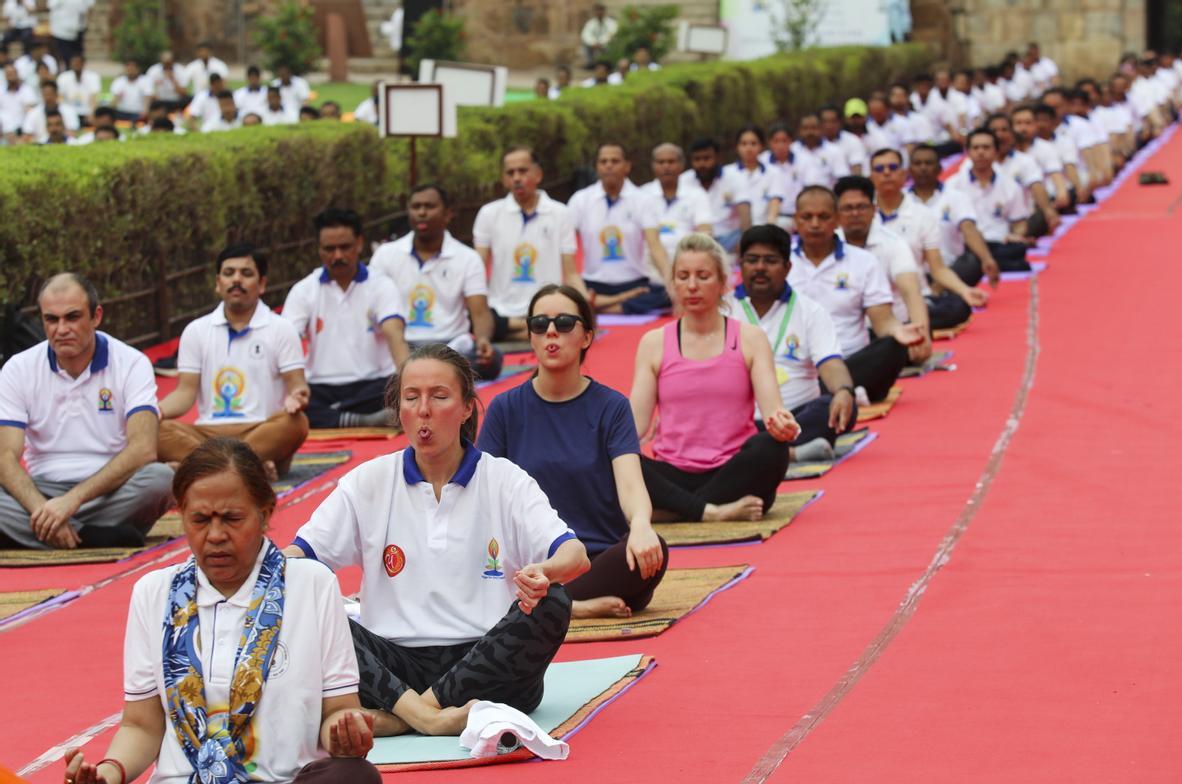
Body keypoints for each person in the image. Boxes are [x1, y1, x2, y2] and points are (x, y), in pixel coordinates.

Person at [286, 345, 590, 736]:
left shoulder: (504, 479)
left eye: (439, 396)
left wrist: (543, 571)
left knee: (552, 601)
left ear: (466, 408)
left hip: (487, 662)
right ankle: (427, 717)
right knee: (300, 600)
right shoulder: (369, 481)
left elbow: (575, 555)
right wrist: (271, 566)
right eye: (411, 398)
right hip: (393, 667)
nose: (424, 410)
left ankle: (405, 718)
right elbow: (302, 555)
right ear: (399, 409)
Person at [63, 438, 381, 784]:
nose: (215, 535)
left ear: (265, 513)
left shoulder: (312, 584)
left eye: (231, 518)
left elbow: (340, 708)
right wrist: (110, 773)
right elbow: (141, 725)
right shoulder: (152, 593)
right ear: (181, 515)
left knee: (354, 776)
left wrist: (346, 733)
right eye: (200, 520)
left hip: (283, 780)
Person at [479, 284, 667, 619]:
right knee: (488, 571)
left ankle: (545, 608)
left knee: (653, 552)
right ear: (532, 337)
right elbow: (482, 497)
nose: (551, 331)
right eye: (540, 324)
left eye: (564, 323)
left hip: (597, 560)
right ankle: (572, 607)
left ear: (587, 337)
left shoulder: (611, 407)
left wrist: (641, 524)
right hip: (534, 565)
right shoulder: (504, 409)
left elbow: (631, 484)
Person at [630, 233, 798, 522]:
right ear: (673, 284)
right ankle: (711, 511)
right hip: (673, 473)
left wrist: (783, 424)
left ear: (723, 282)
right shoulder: (653, 343)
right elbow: (635, 425)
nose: (692, 286)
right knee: (618, 463)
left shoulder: (750, 338)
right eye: (683, 276)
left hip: (732, 469)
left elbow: (773, 412)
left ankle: (676, 511)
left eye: (703, 276)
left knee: (771, 448)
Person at [0, 273, 173, 550]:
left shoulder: (131, 362)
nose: (61, 329)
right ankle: (91, 536)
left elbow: (143, 450)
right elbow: (5, 456)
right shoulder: (18, 369)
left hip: (110, 490)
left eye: (72, 317)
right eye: (51, 319)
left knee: (162, 481)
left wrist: (71, 503)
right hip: (41, 491)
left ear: (96, 316)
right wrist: (42, 509)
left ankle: (37, 535)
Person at [157, 243, 309, 480]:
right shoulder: (196, 330)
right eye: (229, 273)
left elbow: (297, 385)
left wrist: (297, 397)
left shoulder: (281, 328)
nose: (236, 280)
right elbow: (185, 393)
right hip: (207, 433)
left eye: (246, 274)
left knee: (296, 423)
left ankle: (200, 468)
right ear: (218, 283)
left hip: (261, 429)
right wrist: (150, 412)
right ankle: (251, 468)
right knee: (154, 430)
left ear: (262, 284)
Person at [729, 225, 855, 463]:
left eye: (770, 261)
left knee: (836, 407)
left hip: (795, 418)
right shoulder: (721, 311)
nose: (760, 268)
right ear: (741, 264)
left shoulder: (810, 311)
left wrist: (843, 391)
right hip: (738, 422)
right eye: (752, 260)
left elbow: (831, 363)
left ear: (788, 267)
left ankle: (751, 456)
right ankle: (789, 454)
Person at [788, 186, 923, 403]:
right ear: (796, 220)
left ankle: (830, 393)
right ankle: (841, 393)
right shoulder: (782, 262)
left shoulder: (863, 261)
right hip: (796, 363)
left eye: (823, 217)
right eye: (807, 217)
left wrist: (899, 331)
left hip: (850, 360)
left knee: (892, 347)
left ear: (837, 220)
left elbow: (882, 321)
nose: (815, 224)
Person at [281, 208, 408, 429]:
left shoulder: (381, 285)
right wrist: (296, 389)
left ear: (359, 243)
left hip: (373, 385)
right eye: (329, 249)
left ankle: (335, 418)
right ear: (319, 249)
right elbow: (285, 341)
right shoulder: (303, 290)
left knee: (397, 391)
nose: (337, 256)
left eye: (345, 247)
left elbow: (394, 334)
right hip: (320, 387)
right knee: (289, 402)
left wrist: (411, 383)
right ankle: (358, 420)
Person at [371, 184, 503, 381]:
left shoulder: (467, 258)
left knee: (492, 361)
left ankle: (419, 373)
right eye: (416, 207)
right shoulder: (386, 254)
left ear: (448, 214)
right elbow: (373, 307)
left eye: (429, 206)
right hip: (401, 344)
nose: (421, 213)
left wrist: (483, 340)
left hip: (450, 347)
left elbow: (480, 312)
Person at [473, 146, 583, 342]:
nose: (516, 178)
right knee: (474, 318)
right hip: (501, 310)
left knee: (572, 318)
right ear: (504, 178)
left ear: (538, 174)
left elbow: (571, 271)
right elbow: (477, 268)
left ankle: (533, 329)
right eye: (510, 173)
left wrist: (584, 307)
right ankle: (535, 330)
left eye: (522, 171)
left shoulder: (560, 213)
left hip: (548, 307)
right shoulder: (489, 214)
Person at [870, 147, 986, 329]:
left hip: (916, 296)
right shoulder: (861, 216)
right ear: (871, 176)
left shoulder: (923, 215)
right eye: (879, 169)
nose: (886, 173)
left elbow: (937, 268)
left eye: (892, 167)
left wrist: (965, 290)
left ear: (903, 174)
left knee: (959, 307)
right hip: (873, 300)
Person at [834, 176, 932, 366]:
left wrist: (923, 336)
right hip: (842, 337)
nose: (855, 213)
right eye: (847, 208)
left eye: (861, 207)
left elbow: (911, 292)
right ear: (836, 214)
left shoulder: (893, 244)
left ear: (874, 209)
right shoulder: (826, 247)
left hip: (887, 332)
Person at [568, 142, 669, 314]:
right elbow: (566, 245)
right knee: (565, 296)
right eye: (603, 161)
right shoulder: (580, 200)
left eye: (615, 161)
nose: (609, 165)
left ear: (627, 166)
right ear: (597, 167)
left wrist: (671, 283)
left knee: (665, 296)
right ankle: (618, 303)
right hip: (593, 284)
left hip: (635, 282)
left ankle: (599, 307)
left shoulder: (643, 200)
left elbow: (655, 246)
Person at [906, 144, 1001, 288]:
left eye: (928, 163)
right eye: (918, 163)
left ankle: (939, 290)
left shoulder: (956, 197)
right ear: (910, 170)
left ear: (940, 168)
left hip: (952, 269)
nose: (923, 168)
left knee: (972, 263)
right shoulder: (901, 200)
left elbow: (968, 228)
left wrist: (987, 259)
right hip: (911, 273)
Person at [944, 128, 1031, 272]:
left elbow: (1020, 223)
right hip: (966, 244)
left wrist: (1017, 235)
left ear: (996, 151)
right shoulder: (952, 185)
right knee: (965, 257)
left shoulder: (1010, 185)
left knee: (1018, 250)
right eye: (976, 148)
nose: (981, 152)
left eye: (986, 147)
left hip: (998, 243)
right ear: (968, 152)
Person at [986, 112, 1060, 236]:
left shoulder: (1025, 161)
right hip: (989, 222)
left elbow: (1036, 186)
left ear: (1012, 133)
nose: (999, 135)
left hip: (1022, 220)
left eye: (1004, 130)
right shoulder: (973, 165)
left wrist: (1048, 211)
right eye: (994, 130)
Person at [642, 142, 714, 264]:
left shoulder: (697, 195)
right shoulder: (642, 195)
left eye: (671, 162)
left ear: (681, 165)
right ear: (653, 166)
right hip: (649, 266)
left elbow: (705, 231)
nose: (666, 166)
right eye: (661, 162)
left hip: (688, 263)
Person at [680, 137, 742, 252]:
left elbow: (745, 212)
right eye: (697, 159)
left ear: (718, 158)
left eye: (707, 158)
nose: (702, 164)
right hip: (696, 240)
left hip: (729, 238)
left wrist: (745, 243)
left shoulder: (734, 178)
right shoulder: (684, 181)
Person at [792, 111, 851, 187]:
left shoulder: (834, 151)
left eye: (814, 128)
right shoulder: (792, 150)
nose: (810, 132)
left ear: (821, 129)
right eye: (805, 128)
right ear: (799, 130)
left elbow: (842, 178)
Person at [818, 103, 867, 175]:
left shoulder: (853, 141)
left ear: (840, 122)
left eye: (833, 121)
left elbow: (856, 170)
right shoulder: (812, 144)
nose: (829, 125)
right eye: (825, 121)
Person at [55, 53, 98, 120]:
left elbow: (93, 98)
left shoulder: (93, 77)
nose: (76, 65)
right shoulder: (63, 77)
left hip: (86, 112)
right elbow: (60, 98)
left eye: (78, 63)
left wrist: (92, 113)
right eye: (74, 63)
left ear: (83, 64)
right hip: (69, 112)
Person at [581, 3, 617, 69]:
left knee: (613, 44)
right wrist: (593, 43)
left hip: (606, 45)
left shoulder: (611, 22)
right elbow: (586, 35)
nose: (599, 12)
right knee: (586, 46)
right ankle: (590, 63)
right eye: (597, 10)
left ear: (604, 11)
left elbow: (611, 34)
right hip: (594, 45)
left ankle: (608, 63)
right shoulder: (590, 23)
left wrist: (600, 42)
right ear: (595, 12)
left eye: (601, 10)